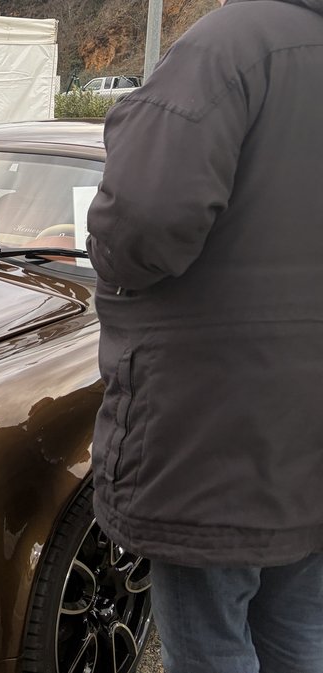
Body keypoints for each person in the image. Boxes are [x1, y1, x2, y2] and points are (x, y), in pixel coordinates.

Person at [86, 0, 323, 671]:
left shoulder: (231, 46)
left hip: (214, 438)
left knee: (210, 646)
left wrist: (104, 251)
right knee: (300, 634)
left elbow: (141, 223)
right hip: (306, 445)